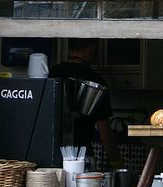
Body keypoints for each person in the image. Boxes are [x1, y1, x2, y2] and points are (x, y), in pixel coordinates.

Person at [49, 39, 122, 169]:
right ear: (92, 49)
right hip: (82, 155)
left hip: (51, 152)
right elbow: (104, 131)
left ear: (69, 48)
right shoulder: (95, 81)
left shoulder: (52, 74)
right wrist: (116, 162)